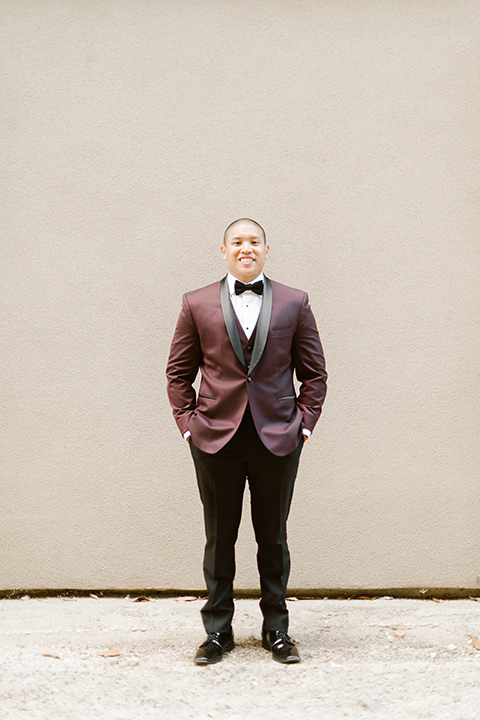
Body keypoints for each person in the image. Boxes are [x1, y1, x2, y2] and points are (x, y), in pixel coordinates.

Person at [166, 218, 327, 665]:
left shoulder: (295, 302)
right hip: (215, 436)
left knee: (272, 537)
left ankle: (277, 629)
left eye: (253, 242)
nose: (245, 248)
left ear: (266, 249)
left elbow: (314, 373)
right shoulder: (195, 303)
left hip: (278, 436)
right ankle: (218, 632)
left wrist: (304, 424)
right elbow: (178, 372)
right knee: (219, 538)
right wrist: (187, 423)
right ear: (224, 251)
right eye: (237, 242)